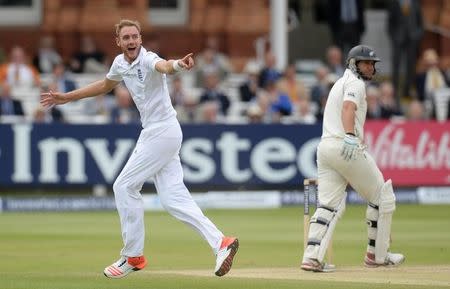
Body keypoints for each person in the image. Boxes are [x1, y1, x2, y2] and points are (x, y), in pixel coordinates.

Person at [41, 19, 238, 279]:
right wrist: (67, 98)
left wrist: (179, 64)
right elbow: (104, 85)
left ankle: (133, 256)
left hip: (162, 131)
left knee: (123, 186)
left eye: (135, 36)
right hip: (157, 133)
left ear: (140, 39)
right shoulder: (119, 64)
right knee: (173, 199)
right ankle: (221, 243)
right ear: (119, 42)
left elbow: (165, 66)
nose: (132, 41)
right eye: (126, 38)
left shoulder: (148, 59)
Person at [300, 45, 405, 272]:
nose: (370, 67)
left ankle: (312, 257)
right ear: (353, 63)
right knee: (382, 196)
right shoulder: (355, 83)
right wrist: (349, 136)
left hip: (325, 148)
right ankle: (376, 255)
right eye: (365, 63)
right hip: (344, 146)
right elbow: (348, 108)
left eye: (372, 64)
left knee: (329, 204)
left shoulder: (340, 82)